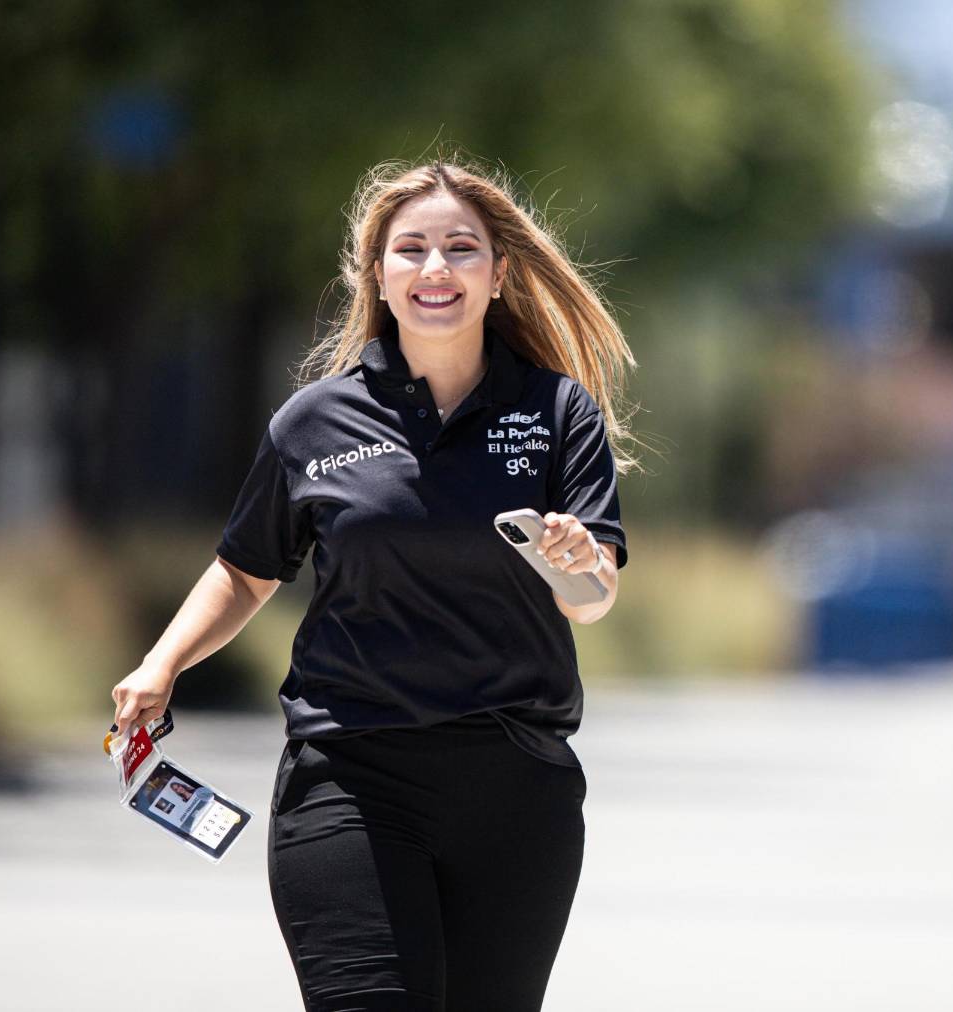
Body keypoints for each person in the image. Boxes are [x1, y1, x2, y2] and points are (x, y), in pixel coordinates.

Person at [111, 157, 637, 1012]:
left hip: (515, 789)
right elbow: (244, 571)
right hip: (348, 777)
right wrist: (162, 664)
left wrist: (577, 562)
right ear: (379, 277)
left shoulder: (556, 413)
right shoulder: (314, 421)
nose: (437, 268)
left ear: (499, 275)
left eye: (462, 249)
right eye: (413, 250)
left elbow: (593, 598)